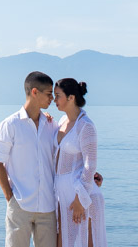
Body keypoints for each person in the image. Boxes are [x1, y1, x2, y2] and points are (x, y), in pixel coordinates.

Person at [0, 72, 103, 247]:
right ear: (35, 92)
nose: (52, 98)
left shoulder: (53, 125)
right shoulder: (12, 125)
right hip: (22, 203)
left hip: (50, 205)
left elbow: (79, 156)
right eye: (49, 94)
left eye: (55, 95)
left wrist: (88, 181)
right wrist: (9, 197)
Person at [53, 77, 106, 247]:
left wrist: (80, 200)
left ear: (71, 98)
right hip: (63, 196)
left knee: (85, 242)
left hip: (82, 196)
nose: (54, 100)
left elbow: (90, 165)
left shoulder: (86, 126)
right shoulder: (61, 121)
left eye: (58, 95)